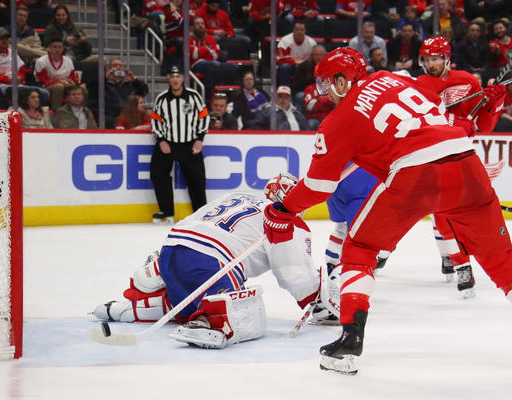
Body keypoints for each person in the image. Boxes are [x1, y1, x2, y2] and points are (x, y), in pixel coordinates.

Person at [262, 47, 512, 375]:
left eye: (329, 84)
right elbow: (447, 115)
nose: (326, 93)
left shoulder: (338, 119)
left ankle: (349, 343)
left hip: (414, 173)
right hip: (467, 162)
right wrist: (488, 107)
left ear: (344, 81)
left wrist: (283, 210)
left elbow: (318, 186)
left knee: (360, 251)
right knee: (503, 263)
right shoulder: (395, 79)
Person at [92, 187, 338, 349]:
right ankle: (204, 322)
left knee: (190, 291)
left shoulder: (236, 195)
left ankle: (131, 306)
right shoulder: (285, 220)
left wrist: (165, 263)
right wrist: (315, 297)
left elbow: (192, 222)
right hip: (211, 263)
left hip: (173, 249)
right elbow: (292, 272)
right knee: (248, 309)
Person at [415, 36, 506, 296]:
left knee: (450, 213)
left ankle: (454, 258)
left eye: (435, 58)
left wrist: (494, 104)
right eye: (427, 59)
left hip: (461, 156)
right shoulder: (419, 85)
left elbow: (483, 126)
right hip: (431, 155)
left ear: (446, 59)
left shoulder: (467, 80)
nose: (431, 64)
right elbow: (424, 119)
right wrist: (456, 121)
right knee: (441, 212)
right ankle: (460, 264)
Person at [150, 66, 210, 224]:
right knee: (157, 174)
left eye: (178, 76)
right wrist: (161, 140)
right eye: (172, 76)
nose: (175, 79)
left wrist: (199, 138)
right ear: (169, 79)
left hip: (190, 144)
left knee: (197, 179)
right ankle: (166, 211)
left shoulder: (193, 96)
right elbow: (155, 120)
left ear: (183, 79)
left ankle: (200, 212)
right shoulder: (162, 98)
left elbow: (204, 116)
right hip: (168, 143)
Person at [34, 38, 78, 112]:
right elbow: (43, 81)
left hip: (66, 85)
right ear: (49, 48)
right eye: (54, 47)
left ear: (63, 49)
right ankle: (56, 112)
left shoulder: (68, 61)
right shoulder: (41, 61)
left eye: (60, 47)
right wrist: (60, 82)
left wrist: (71, 83)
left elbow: (72, 78)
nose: (57, 49)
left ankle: (80, 113)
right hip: (47, 88)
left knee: (82, 89)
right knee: (59, 87)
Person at [103, 58, 149, 128]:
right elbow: (94, 90)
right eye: (115, 65)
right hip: (110, 117)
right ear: (110, 68)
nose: (118, 67)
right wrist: (105, 78)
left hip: (128, 118)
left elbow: (144, 91)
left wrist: (134, 80)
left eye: (120, 66)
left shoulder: (130, 84)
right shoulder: (104, 83)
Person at [276, 21, 317, 87]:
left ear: (305, 31)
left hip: (306, 67)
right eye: (297, 29)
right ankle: (285, 91)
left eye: (301, 30)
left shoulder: (311, 43)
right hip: (291, 67)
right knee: (284, 67)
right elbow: (280, 59)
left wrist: (303, 64)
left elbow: (315, 58)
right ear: (293, 30)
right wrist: (294, 62)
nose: (299, 32)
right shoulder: (285, 41)